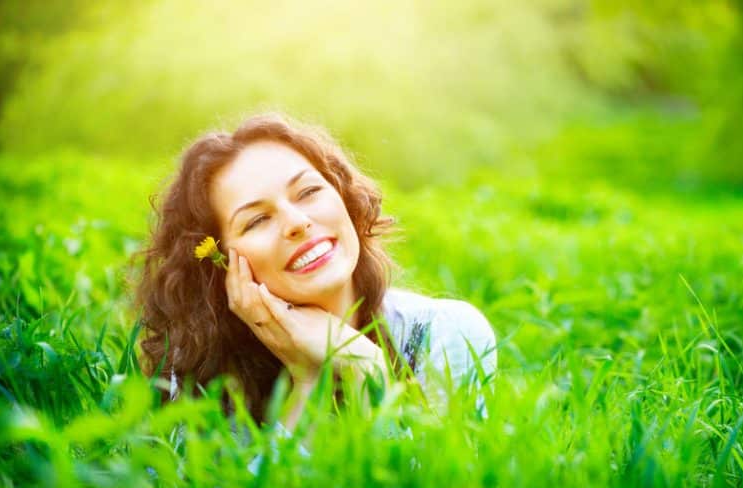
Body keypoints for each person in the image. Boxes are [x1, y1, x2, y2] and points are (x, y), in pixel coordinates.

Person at [135, 113, 496, 431]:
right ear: (222, 263)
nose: (297, 222)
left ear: (343, 197)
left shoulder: (445, 335)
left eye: (308, 191)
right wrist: (308, 382)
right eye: (257, 220)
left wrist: (364, 369)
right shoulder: (201, 382)